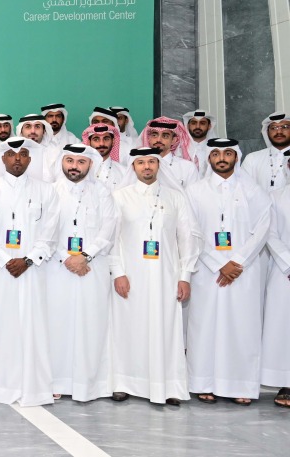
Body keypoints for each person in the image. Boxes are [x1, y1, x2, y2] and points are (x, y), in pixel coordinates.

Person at [109, 147, 201, 406]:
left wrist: (185, 276)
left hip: (166, 276)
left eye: (151, 162)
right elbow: (111, 240)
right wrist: (118, 272)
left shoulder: (175, 197)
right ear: (133, 167)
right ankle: (124, 382)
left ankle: (168, 386)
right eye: (140, 162)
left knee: (166, 329)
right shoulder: (119, 196)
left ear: (159, 165)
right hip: (130, 276)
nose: (146, 167)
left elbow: (187, 239)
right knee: (127, 328)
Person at [185, 138, 272, 405]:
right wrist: (218, 263)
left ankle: (240, 386)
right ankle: (203, 383)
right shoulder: (195, 190)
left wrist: (238, 261)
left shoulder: (253, 190)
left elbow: (263, 227)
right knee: (204, 326)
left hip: (243, 270)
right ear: (209, 159)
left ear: (236, 157)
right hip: (207, 271)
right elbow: (191, 231)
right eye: (216, 154)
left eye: (227, 153)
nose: (221, 158)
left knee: (241, 326)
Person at [0, 137, 59, 407]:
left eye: (23, 154)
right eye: (12, 154)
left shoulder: (46, 191)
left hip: (34, 271)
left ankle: (34, 386)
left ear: (31, 159)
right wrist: (5, 259)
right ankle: (0, 385)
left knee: (33, 326)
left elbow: (51, 232)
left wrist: (28, 260)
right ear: (2, 158)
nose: (17, 159)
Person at [46, 143, 119, 402]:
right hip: (57, 269)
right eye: (69, 161)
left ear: (90, 164)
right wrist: (67, 258)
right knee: (57, 324)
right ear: (61, 163)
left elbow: (108, 229)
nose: (74, 166)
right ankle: (56, 380)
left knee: (92, 323)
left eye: (81, 162)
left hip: (92, 268)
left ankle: (90, 384)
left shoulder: (103, 193)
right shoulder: (51, 191)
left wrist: (85, 256)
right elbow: (46, 230)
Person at [264, 161, 290, 408]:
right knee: (284, 328)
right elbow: (270, 233)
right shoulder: (275, 197)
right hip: (285, 272)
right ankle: (287, 383)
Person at [140, 117, 200, 188]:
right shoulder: (139, 166)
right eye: (154, 135)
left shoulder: (187, 167)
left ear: (173, 140)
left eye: (165, 136)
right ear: (148, 138)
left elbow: (193, 196)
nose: (159, 139)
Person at [239, 112, 290, 191]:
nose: (279, 132)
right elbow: (243, 190)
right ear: (267, 132)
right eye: (274, 128)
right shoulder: (252, 159)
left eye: (285, 127)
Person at [81, 123, 133, 190]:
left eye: (106, 139)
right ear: (88, 142)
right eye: (96, 139)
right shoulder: (81, 171)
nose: (101, 143)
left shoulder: (124, 172)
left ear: (113, 141)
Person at [182, 109, 218, 175]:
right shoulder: (180, 148)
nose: (197, 126)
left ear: (209, 126)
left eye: (202, 123)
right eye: (193, 123)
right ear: (187, 126)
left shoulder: (216, 150)